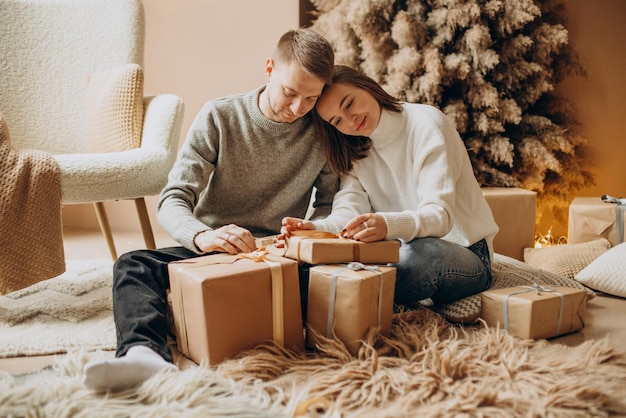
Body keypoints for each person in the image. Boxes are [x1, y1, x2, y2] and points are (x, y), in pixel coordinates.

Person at [83, 28, 339, 392]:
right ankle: (145, 355)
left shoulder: (325, 132)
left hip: (279, 260)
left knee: (345, 277)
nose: (298, 108)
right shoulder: (220, 115)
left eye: (311, 98)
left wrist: (306, 236)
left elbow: (331, 205)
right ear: (269, 69)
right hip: (211, 251)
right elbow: (173, 198)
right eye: (290, 92)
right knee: (133, 266)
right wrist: (203, 236)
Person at [282, 65, 499, 308]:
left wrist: (387, 225)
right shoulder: (355, 148)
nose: (350, 120)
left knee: (415, 257)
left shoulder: (427, 124)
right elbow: (348, 214)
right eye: (337, 120)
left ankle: (340, 302)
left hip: (466, 251)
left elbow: (441, 216)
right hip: (393, 252)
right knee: (311, 264)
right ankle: (335, 300)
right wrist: (314, 228)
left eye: (349, 103)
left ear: (365, 84)